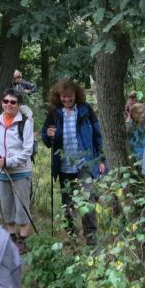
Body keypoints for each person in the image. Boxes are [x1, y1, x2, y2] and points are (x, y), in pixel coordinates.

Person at [41, 78, 105, 241]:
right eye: (64, 96)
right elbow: (46, 139)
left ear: (76, 95)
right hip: (64, 165)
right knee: (68, 202)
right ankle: (72, 236)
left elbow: (98, 136)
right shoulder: (55, 113)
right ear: (58, 96)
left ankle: (91, 238)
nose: (67, 99)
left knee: (87, 199)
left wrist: (101, 159)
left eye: (70, 96)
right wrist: (48, 135)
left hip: (84, 163)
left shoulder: (85, 110)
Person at [0, 91, 35, 250]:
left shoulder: (25, 123)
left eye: (13, 102)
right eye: (6, 101)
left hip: (21, 171)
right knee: (7, 207)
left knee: (22, 208)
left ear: (18, 105)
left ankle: (22, 241)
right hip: (1, 172)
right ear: (2, 103)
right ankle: (12, 238)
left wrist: (9, 162)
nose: (9, 104)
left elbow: (28, 150)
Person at [126, 101, 145, 166]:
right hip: (136, 155)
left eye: (142, 113)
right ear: (134, 114)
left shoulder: (144, 123)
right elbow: (127, 130)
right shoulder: (131, 125)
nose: (142, 115)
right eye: (139, 113)